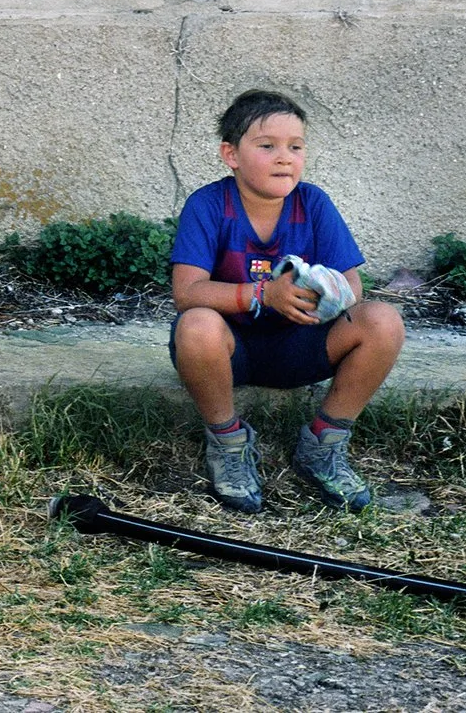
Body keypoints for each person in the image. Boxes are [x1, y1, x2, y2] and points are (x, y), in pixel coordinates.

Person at [169, 89, 406, 514]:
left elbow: (354, 287)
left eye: (295, 147)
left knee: (383, 321)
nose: (285, 157)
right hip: (230, 351)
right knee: (196, 324)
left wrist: (324, 291)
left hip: (301, 344)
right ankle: (227, 444)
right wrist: (264, 294)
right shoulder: (208, 205)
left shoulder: (312, 203)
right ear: (231, 154)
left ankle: (324, 445)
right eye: (267, 146)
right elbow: (186, 293)